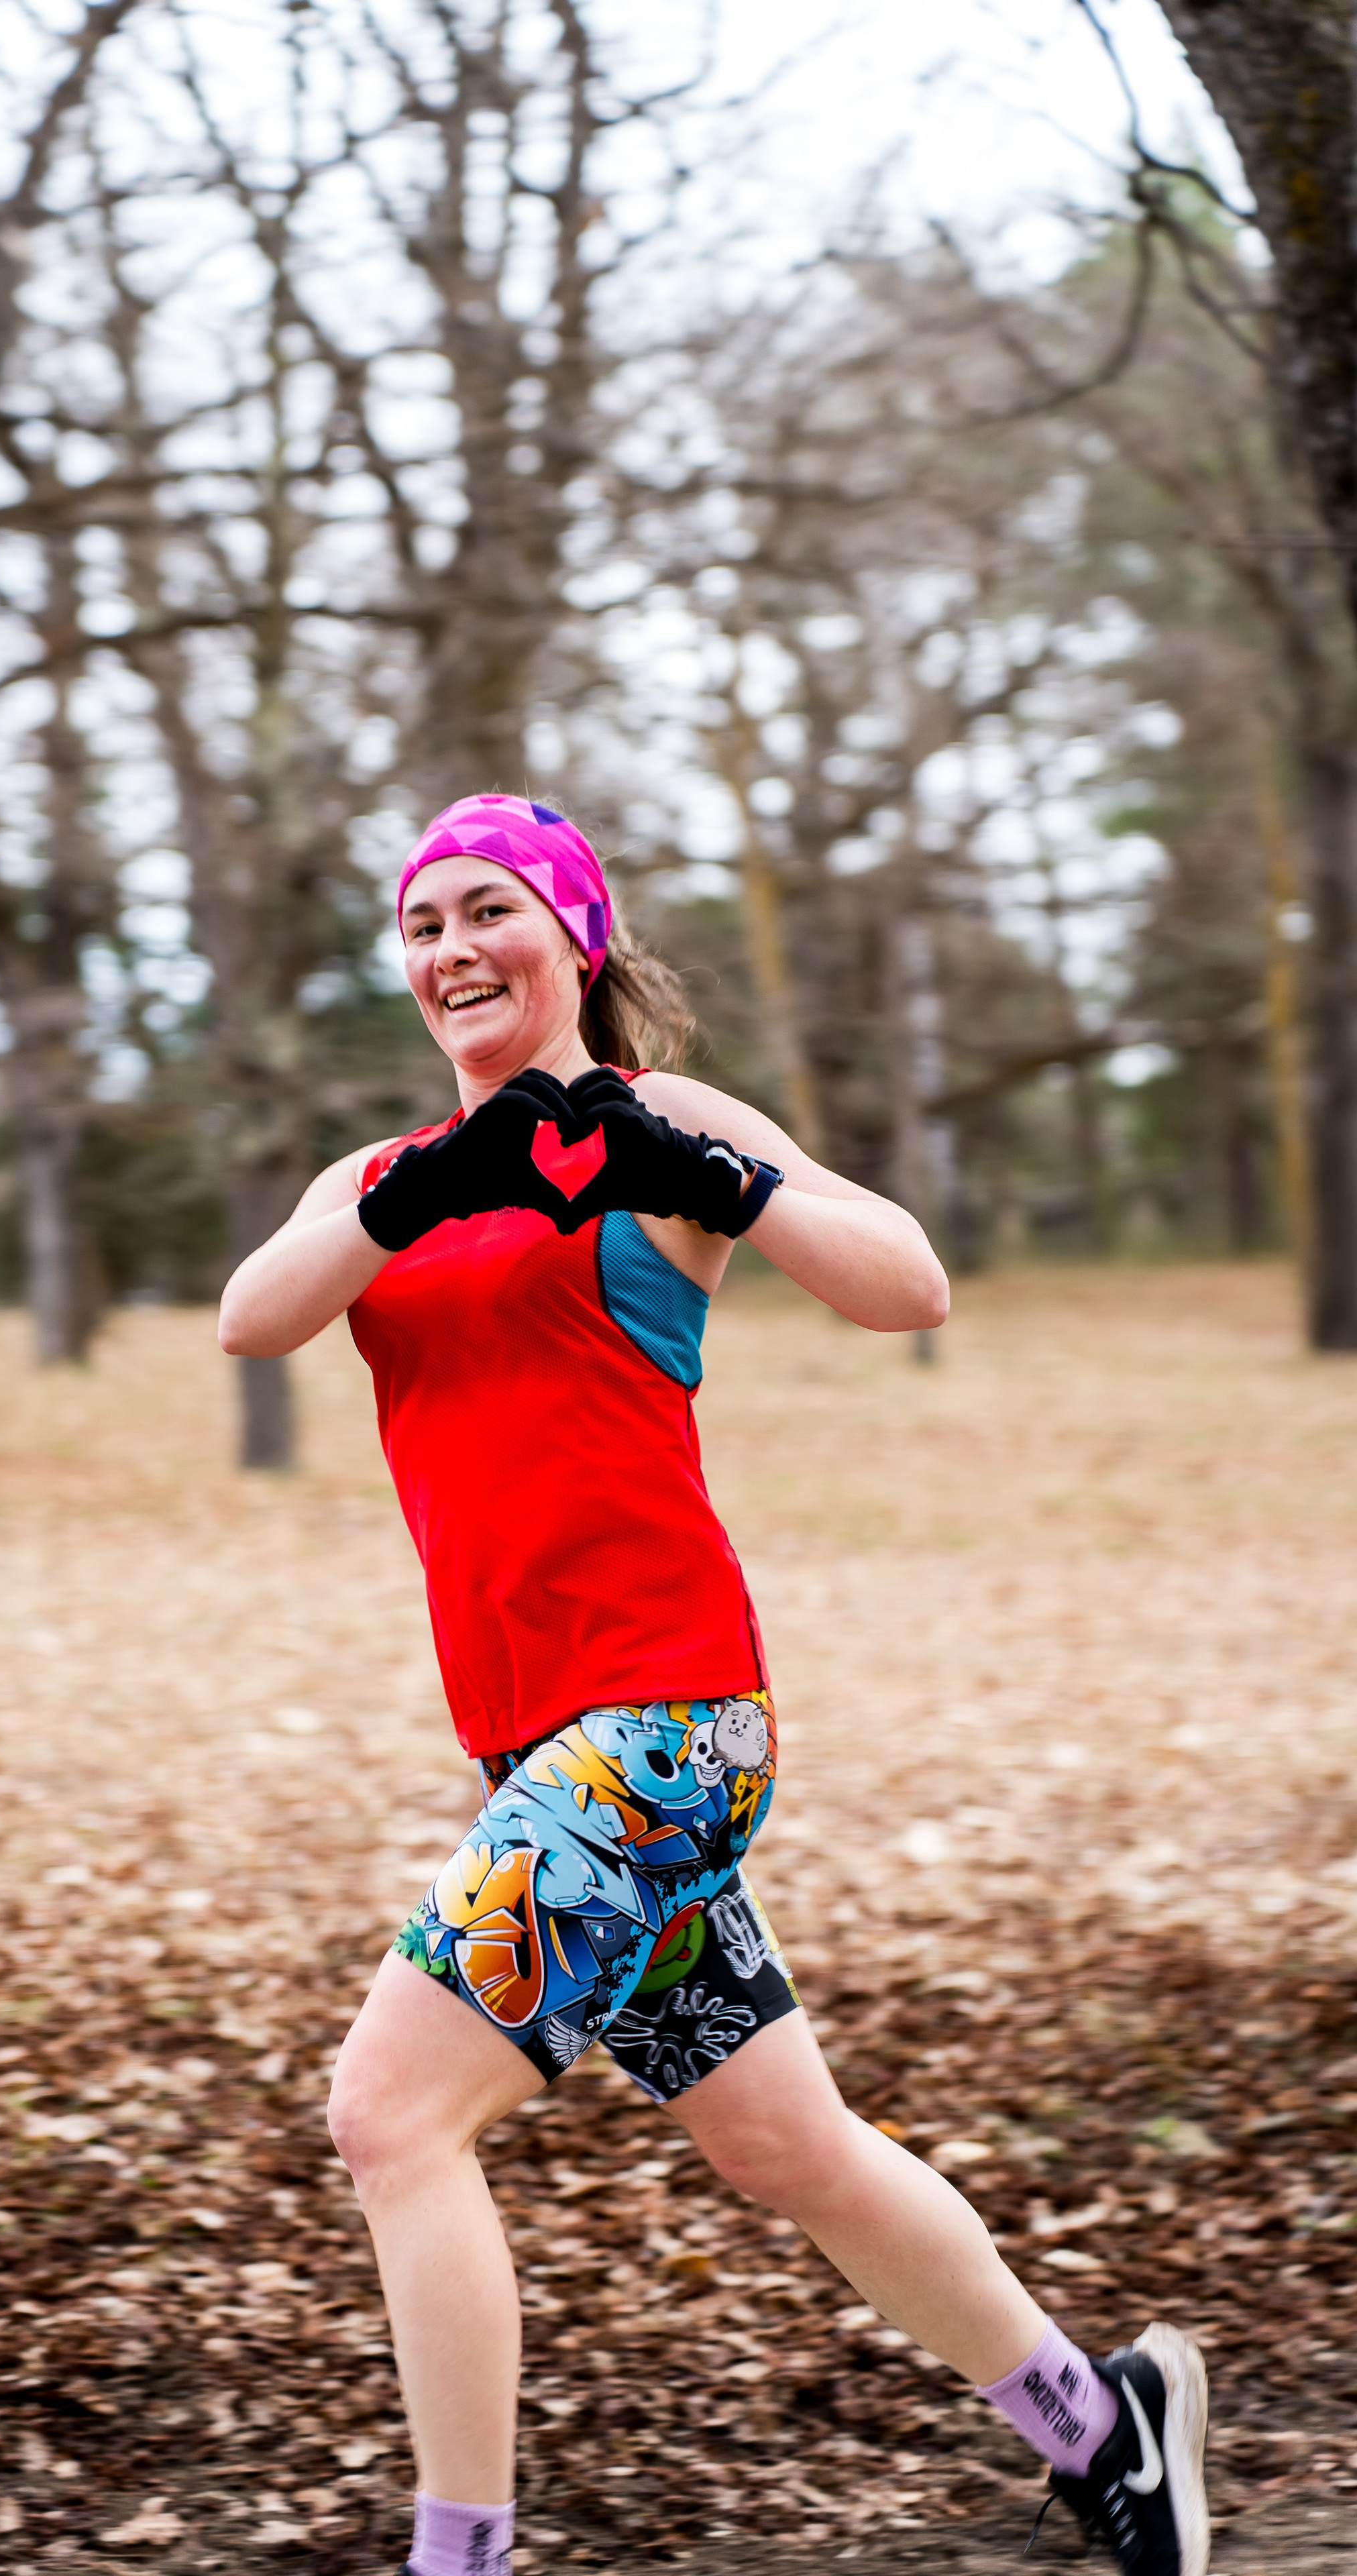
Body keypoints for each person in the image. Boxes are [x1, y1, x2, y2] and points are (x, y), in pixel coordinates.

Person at [217, 794, 1209, 2576]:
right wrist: (421, 1183)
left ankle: (465, 2558)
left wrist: (722, 1181)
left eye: (493, 911)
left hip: (662, 1726)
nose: (454, 949)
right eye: (424, 922)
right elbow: (256, 1314)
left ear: (578, 937)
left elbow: (909, 1285)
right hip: (544, 1743)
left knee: (391, 2116)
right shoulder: (376, 1180)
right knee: (783, 2141)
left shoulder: (663, 1123)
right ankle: (1100, 2424)